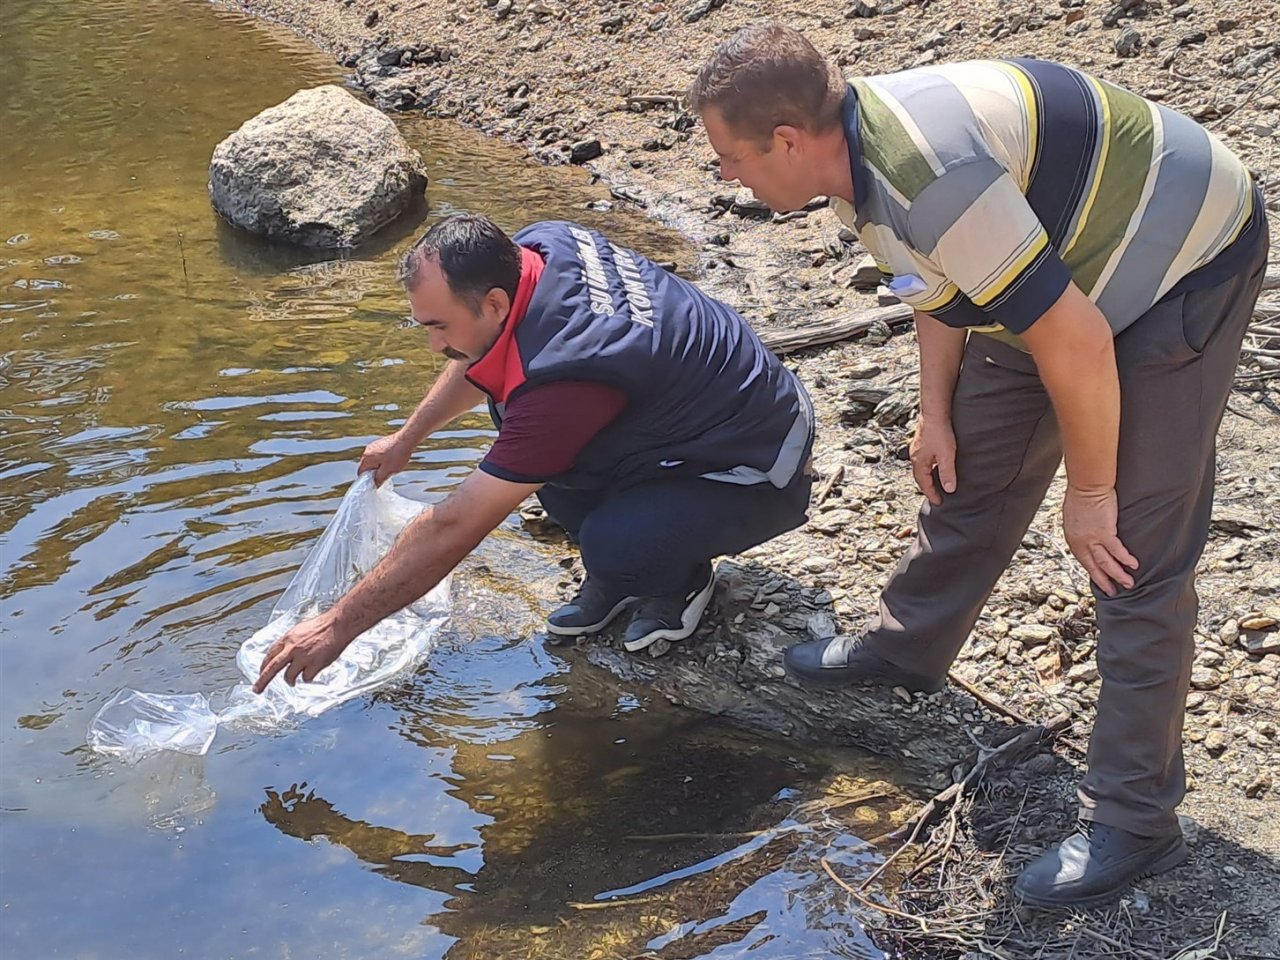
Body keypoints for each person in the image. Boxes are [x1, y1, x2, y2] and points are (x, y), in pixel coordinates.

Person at [688, 23, 1268, 908]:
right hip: (1057, 258)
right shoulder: (853, 166)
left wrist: (1092, 491)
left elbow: (1076, 339)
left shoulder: (929, 177)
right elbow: (932, 279)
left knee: (1130, 550)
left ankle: (1136, 820)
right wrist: (935, 412)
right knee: (970, 463)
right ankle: (907, 648)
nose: (726, 176)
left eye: (731, 158)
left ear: (789, 141)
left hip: (1181, 256)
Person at [254, 213, 813, 683]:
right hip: (697, 413)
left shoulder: (567, 379)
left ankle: (678, 582)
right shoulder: (540, 246)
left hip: (759, 462)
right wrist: (408, 438)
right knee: (526, 438)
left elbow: (454, 527)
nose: (433, 344)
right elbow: (482, 355)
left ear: (495, 303)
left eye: (439, 325)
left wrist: (337, 626)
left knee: (609, 538)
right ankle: (623, 578)